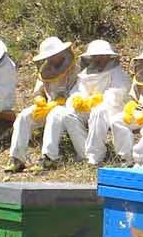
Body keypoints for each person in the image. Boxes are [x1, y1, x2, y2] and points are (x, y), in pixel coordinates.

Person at [41, 40, 129, 170]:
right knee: (60, 112)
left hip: (110, 109)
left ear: (108, 56)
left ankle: (96, 156)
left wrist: (99, 99)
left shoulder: (117, 72)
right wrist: (77, 99)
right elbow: (77, 91)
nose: (97, 58)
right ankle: (52, 156)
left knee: (98, 111)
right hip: (87, 109)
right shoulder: (85, 74)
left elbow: (119, 93)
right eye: (94, 56)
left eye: (100, 55)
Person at [5, 36, 77, 173]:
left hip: (67, 109)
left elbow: (78, 93)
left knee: (54, 116)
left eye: (52, 56)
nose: (49, 59)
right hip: (49, 106)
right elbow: (38, 91)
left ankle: (50, 158)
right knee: (24, 116)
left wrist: (61, 101)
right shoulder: (45, 70)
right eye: (47, 56)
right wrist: (40, 100)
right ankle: (17, 158)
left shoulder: (75, 69)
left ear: (60, 53)